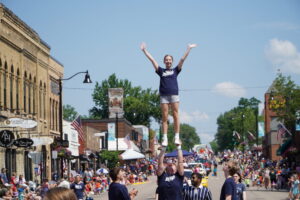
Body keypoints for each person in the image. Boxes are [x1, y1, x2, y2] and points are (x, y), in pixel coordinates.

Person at [140, 42, 197, 146]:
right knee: (165, 117)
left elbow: (182, 60)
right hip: (164, 96)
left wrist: (188, 49)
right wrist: (144, 51)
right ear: (164, 61)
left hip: (174, 94)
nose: (168, 61)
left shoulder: (175, 70)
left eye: (170, 60)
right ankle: (165, 138)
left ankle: (176, 137)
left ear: (172, 61)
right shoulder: (161, 71)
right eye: (166, 60)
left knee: (175, 115)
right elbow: (152, 60)